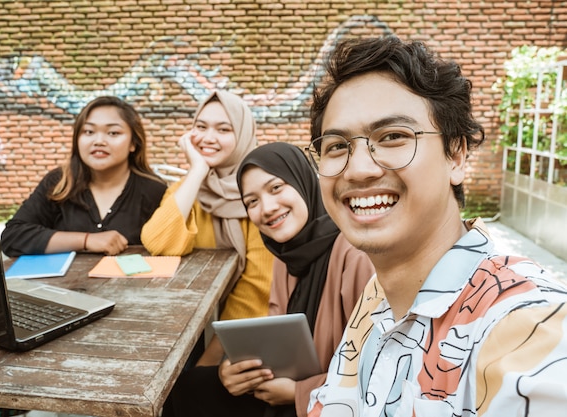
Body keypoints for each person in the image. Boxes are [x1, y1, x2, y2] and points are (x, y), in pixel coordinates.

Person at [304, 35, 567, 417]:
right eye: (337, 146)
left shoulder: (529, 324)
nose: (359, 169)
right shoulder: (377, 296)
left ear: (456, 155)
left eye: (393, 136)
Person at [162, 142, 375, 417]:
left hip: (330, 401)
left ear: (304, 180)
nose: (267, 208)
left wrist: (300, 393)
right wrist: (235, 372)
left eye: (276, 188)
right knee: (190, 387)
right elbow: (278, 341)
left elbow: (377, 371)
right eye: (252, 201)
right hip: (282, 386)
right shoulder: (285, 253)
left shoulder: (356, 255)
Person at [140, 90, 275, 365]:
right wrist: (198, 170)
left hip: (247, 339)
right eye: (200, 127)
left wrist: (210, 359)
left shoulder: (261, 192)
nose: (208, 137)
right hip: (185, 331)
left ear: (243, 134)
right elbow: (158, 243)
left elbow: (258, 289)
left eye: (223, 129)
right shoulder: (187, 189)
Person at [1, 95, 167, 257]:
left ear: (133, 143)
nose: (99, 141)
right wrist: (86, 240)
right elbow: (13, 237)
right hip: (64, 285)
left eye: (113, 133)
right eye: (89, 131)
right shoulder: (59, 183)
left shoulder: (153, 190)